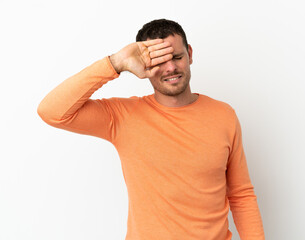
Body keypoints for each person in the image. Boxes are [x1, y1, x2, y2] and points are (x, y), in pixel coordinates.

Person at [37, 19, 265, 240]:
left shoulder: (223, 115)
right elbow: (52, 112)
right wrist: (115, 63)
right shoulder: (122, 116)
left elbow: (241, 195)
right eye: (158, 61)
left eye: (177, 57)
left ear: (190, 54)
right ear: (144, 65)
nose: (171, 67)